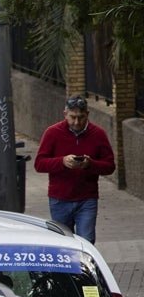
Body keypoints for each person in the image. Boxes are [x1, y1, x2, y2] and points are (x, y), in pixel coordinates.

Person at [34, 95, 116, 243]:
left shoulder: (98, 134)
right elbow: (39, 164)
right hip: (59, 199)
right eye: (72, 117)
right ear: (65, 114)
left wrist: (90, 164)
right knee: (64, 243)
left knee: (87, 241)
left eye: (81, 117)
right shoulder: (52, 133)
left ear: (88, 115)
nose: (77, 122)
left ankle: (84, 266)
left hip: (87, 199)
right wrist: (62, 162)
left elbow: (110, 166)